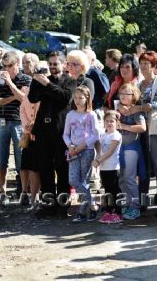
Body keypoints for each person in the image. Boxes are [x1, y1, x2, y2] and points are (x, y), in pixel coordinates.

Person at [28, 51, 77, 218]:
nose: (52, 67)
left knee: (62, 168)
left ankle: (63, 205)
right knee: (44, 167)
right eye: (50, 63)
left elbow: (65, 98)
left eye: (56, 64)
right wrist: (36, 81)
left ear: (63, 64)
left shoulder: (70, 81)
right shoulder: (42, 79)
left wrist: (48, 84)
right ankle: (48, 204)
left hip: (61, 131)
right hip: (43, 130)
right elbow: (32, 98)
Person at [0, 51, 32, 195]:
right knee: (0, 158)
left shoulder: (26, 79)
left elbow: (23, 99)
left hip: (19, 123)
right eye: (4, 66)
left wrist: (9, 83)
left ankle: (24, 190)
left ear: (17, 64)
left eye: (9, 66)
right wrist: (12, 96)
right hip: (1, 122)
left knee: (21, 157)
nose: (6, 69)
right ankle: (2, 190)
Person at [135, 51, 157, 207]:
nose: (143, 67)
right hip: (139, 130)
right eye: (141, 63)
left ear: (153, 66)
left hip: (155, 129)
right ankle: (142, 202)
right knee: (142, 166)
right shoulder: (137, 85)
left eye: (146, 64)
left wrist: (139, 107)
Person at [63, 86, 100, 222]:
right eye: (76, 97)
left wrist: (83, 145)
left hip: (87, 150)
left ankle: (82, 212)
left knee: (84, 180)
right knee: (73, 180)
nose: (78, 101)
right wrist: (70, 145)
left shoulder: (91, 115)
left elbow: (96, 134)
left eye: (81, 98)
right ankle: (93, 204)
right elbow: (66, 134)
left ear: (87, 99)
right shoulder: (70, 115)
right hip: (73, 151)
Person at [117, 83, 146, 220]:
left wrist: (123, 126)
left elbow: (142, 128)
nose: (123, 97)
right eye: (121, 94)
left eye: (126, 94)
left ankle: (135, 207)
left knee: (130, 178)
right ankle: (127, 204)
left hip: (131, 147)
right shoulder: (118, 109)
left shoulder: (135, 111)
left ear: (133, 96)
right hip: (119, 148)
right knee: (122, 178)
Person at [19, 61, 44, 209]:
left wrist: (35, 123)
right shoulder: (28, 90)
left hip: (41, 134)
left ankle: (37, 196)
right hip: (28, 134)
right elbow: (22, 109)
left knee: (37, 168)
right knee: (26, 166)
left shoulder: (46, 91)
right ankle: (28, 194)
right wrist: (26, 125)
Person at [93, 110, 122, 224]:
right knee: (107, 190)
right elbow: (99, 147)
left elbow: (110, 152)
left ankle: (118, 212)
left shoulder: (116, 135)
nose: (109, 123)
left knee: (114, 190)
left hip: (113, 167)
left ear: (117, 123)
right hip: (104, 168)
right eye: (107, 121)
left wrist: (97, 160)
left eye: (112, 121)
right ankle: (109, 211)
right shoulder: (103, 135)